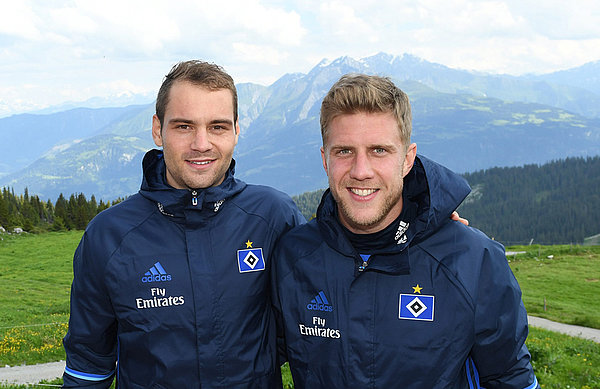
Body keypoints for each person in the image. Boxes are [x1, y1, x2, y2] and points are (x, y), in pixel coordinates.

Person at [271, 74, 540, 388]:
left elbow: (511, 379)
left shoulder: (472, 261)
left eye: (379, 151)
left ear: (408, 159)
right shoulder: (293, 257)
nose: (361, 171)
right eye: (344, 151)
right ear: (324, 159)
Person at [62, 60, 305, 388]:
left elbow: (310, 325)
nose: (201, 143)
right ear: (157, 130)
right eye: (183, 126)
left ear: (236, 130)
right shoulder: (108, 237)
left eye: (217, 126)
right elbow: (88, 363)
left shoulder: (274, 217)